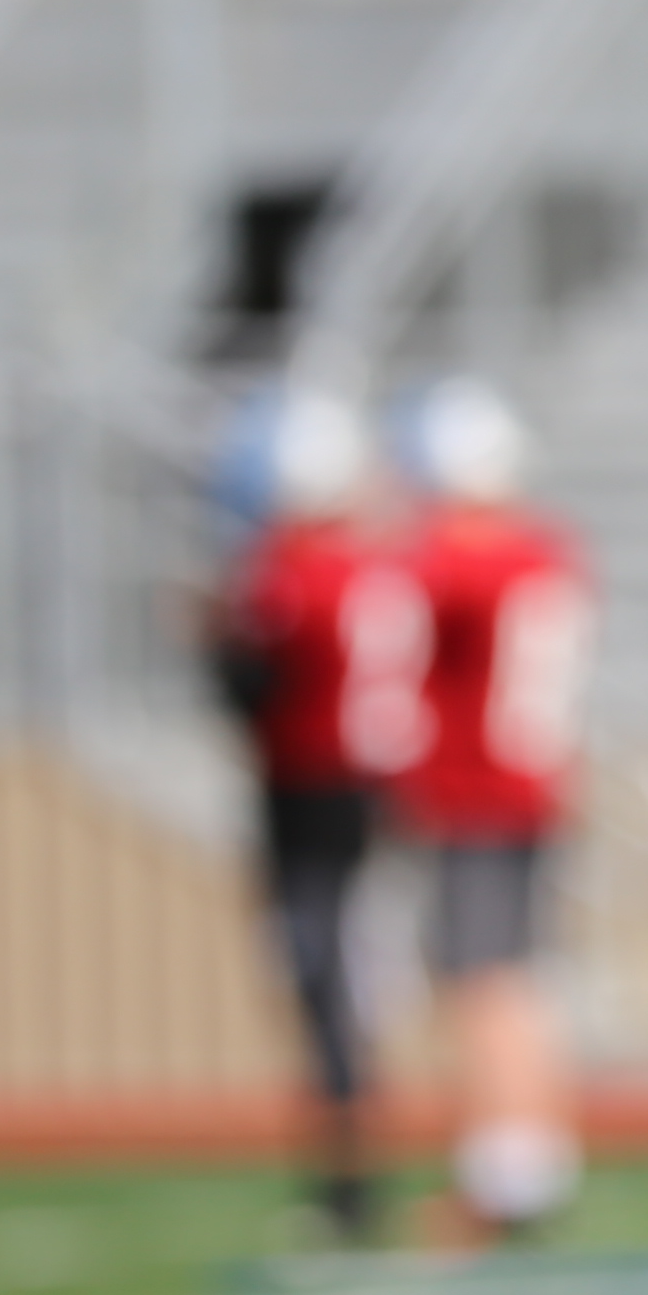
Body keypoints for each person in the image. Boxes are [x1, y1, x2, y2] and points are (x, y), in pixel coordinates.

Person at [201, 383, 419, 1242]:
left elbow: (251, 688)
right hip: (380, 788)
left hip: (311, 789)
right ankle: (360, 1159)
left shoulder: (291, 568)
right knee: (350, 975)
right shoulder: (375, 562)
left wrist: (214, 639)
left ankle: (350, 1176)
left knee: (318, 974)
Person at [386, 377, 593, 1240]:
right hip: (536, 787)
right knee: (520, 986)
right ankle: (533, 1164)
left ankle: (502, 1180)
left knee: (481, 990)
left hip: (480, 796)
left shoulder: (459, 564)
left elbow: (399, 597)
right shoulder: (549, 552)